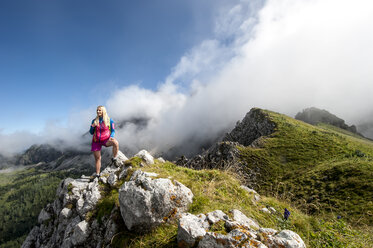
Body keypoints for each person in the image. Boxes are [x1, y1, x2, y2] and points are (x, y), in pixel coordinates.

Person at [89, 105, 119, 179]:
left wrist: (111, 136)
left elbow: (113, 130)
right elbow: (91, 132)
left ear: (103, 111)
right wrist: (93, 126)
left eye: (100, 110)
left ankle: (114, 158)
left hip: (106, 140)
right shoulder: (94, 120)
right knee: (98, 158)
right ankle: (97, 174)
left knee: (115, 143)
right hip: (96, 141)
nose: (98, 111)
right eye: (97, 110)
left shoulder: (109, 120)